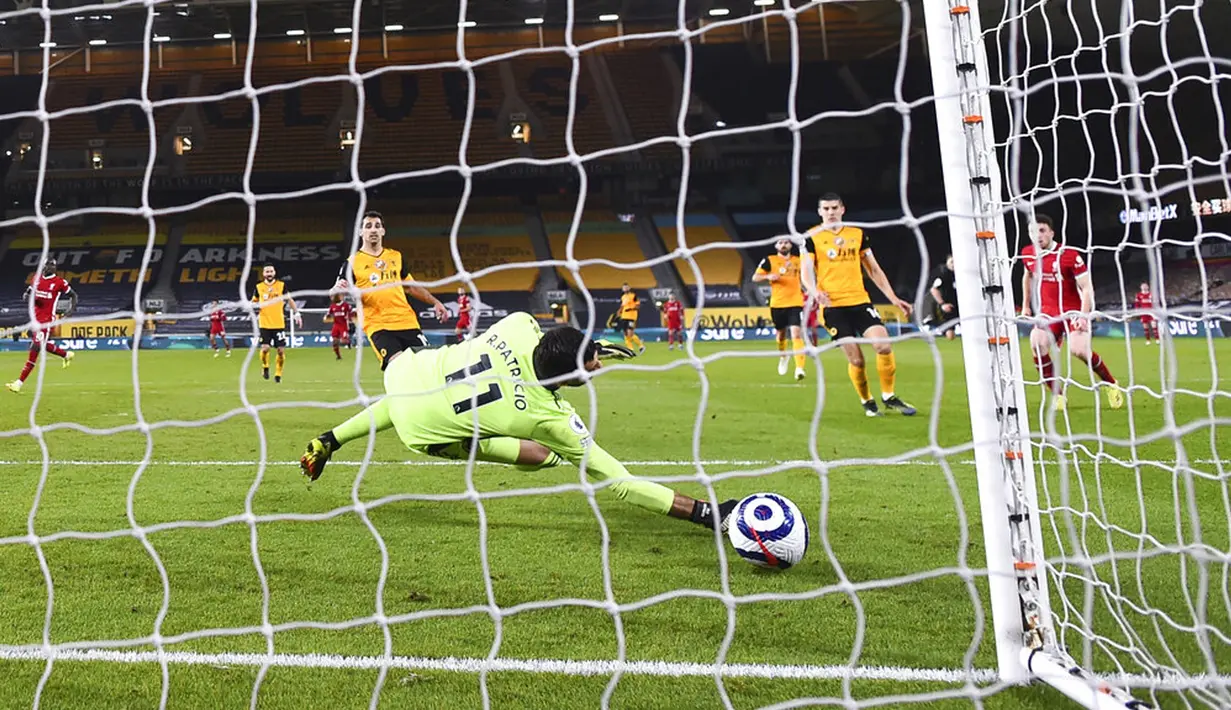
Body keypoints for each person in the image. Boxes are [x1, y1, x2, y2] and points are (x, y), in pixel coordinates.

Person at [298, 313, 738, 532]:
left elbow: (551, 336)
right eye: (590, 366)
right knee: (545, 457)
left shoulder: (516, 324)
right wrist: (706, 512)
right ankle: (708, 515)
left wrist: (588, 346)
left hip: (406, 371)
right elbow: (619, 483)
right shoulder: (551, 419)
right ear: (566, 377)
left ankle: (329, 439)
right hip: (425, 434)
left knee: (413, 398)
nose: (597, 369)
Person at [806, 193, 916, 416]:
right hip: (833, 307)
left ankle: (889, 396)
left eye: (834, 208)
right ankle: (867, 401)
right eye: (826, 209)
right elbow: (806, 273)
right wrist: (815, 291)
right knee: (856, 359)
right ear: (820, 212)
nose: (830, 212)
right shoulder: (811, 237)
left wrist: (893, 298)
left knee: (883, 345)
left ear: (842, 209)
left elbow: (874, 269)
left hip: (860, 301)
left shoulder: (857, 234)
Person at [1020, 213, 1122, 410]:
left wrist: (1083, 316)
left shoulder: (1069, 255)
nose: (1038, 236)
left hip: (1073, 310)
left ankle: (1111, 383)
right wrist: (1025, 305)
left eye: (1042, 231)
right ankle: (1058, 395)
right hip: (1047, 312)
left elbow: (1086, 288)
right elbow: (1027, 277)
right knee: (1036, 343)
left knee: (1079, 350)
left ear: (1051, 232)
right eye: (1033, 232)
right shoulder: (1027, 253)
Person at [338, 210, 449, 370]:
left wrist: (435, 302)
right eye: (368, 226)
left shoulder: (396, 257)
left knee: (426, 368)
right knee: (398, 367)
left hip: (407, 322)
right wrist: (336, 292)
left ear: (383, 231)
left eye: (377, 226)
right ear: (361, 232)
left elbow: (410, 287)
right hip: (379, 326)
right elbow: (337, 295)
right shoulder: (352, 263)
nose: (373, 230)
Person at [6, 259, 76, 393]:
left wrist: (70, 311)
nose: (52, 267)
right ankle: (66, 355)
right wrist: (26, 295)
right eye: (49, 265)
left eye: (54, 265)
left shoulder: (59, 282)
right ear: (43, 266)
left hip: (47, 321)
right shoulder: (36, 278)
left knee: (35, 348)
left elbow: (73, 295)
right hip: (36, 319)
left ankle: (18, 383)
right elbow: (30, 290)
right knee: (41, 344)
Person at [752, 238, 809, 381]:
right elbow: (755, 277)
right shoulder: (769, 260)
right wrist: (768, 276)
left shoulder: (799, 260)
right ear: (776, 245)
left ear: (790, 245)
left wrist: (808, 289)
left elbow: (806, 277)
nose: (783, 245)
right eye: (780, 243)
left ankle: (799, 368)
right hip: (777, 303)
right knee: (781, 335)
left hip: (795, 301)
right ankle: (783, 356)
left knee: (796, 334)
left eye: (786, 242)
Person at [252, 264, 301, 383]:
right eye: (267, 271)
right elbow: (253, 302)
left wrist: (296, 313)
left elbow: (290, 299)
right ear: (263, 274)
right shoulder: (259, 287)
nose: (269, 273)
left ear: (274, 273)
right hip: (264, 323)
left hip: (278, 323)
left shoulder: (281, 286)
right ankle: (265, 367)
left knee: (280, 350)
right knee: (265, 349)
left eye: (271, 271)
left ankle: (278, 374)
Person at [928, 254, 959, 341]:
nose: (953, 264)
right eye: (951, 262)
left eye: (955, 262)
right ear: (947, 263)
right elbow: (934, 289)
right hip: (948, 306)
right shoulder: (943, 274)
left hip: (961, 306)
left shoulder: (961, 274)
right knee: (950, 335)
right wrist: (942, 304)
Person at [616, 283, 645, 354]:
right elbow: (622, 306)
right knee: (625, 333)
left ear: (629, 288)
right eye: (624, 288)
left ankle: (641, 346)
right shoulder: (623, 297)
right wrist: (619, 312)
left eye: (626, 287)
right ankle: (630, 349)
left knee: (630, 333)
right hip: (624, 317)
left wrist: (631, 308)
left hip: (631, 317)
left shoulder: (633, 296)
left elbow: (638, 305)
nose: (625, 289)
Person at [325, 294, 354, 360]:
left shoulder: (345, 305)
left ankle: (348, 342)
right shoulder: (333, 306)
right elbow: (329, 313)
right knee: (335, 342)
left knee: (343, 341)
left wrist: (349, 317)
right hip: (336, 325)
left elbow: (351, 311)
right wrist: (327, 316)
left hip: (343, 325)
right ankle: (338, 356)